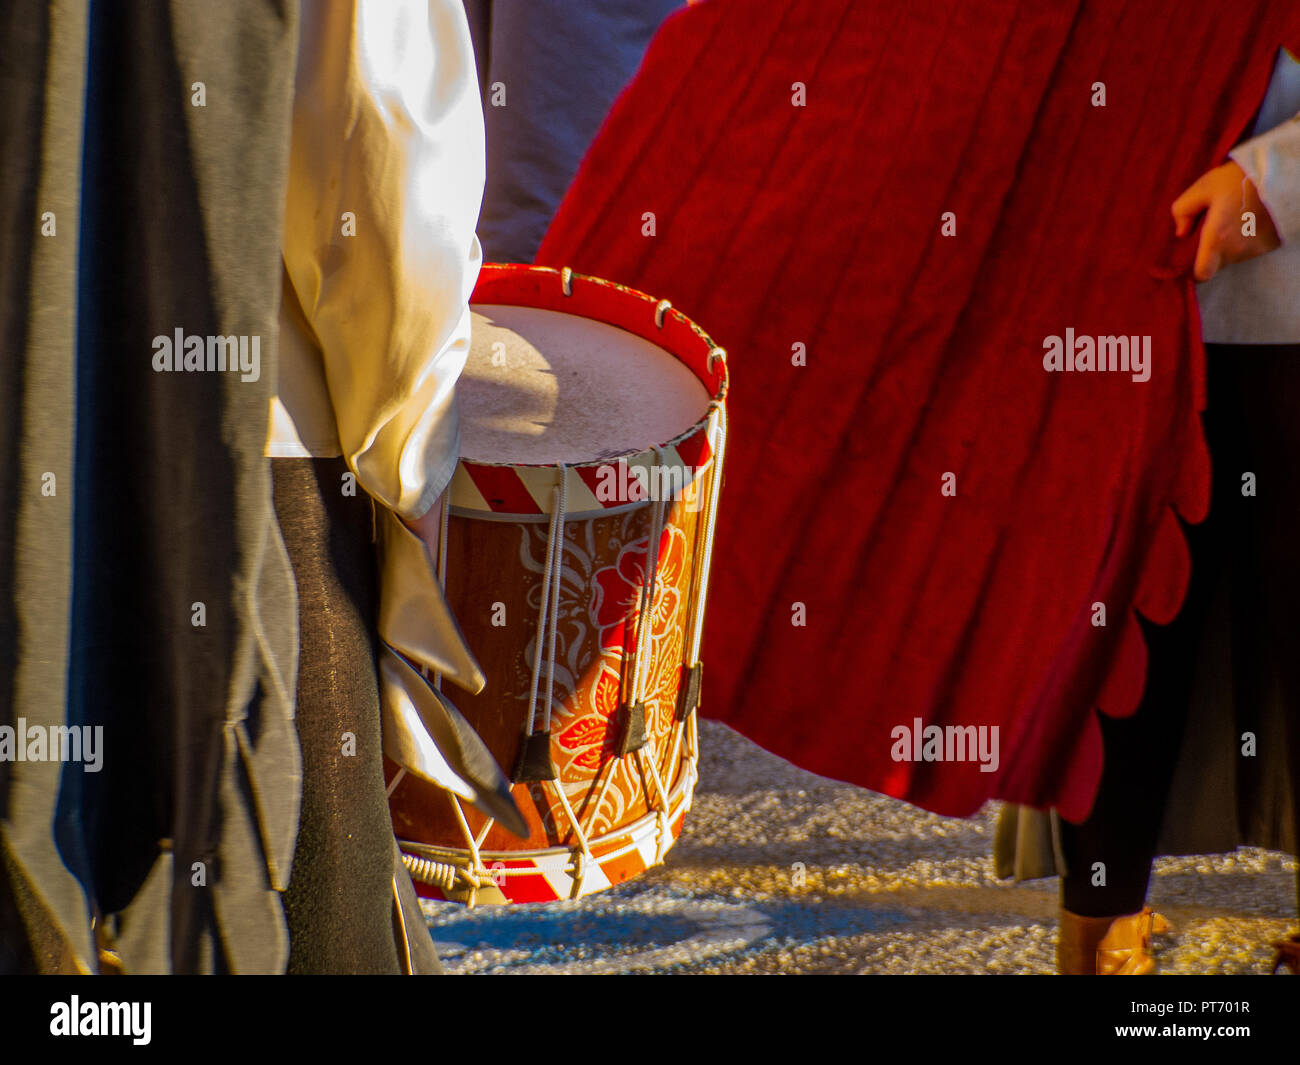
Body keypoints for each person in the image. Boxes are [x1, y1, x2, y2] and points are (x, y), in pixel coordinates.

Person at [1000, 47, 1300, 975]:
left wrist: (1282, 186)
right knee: (1117, 633)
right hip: (1114, 294)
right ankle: (1097, 924)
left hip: (1282, 314)